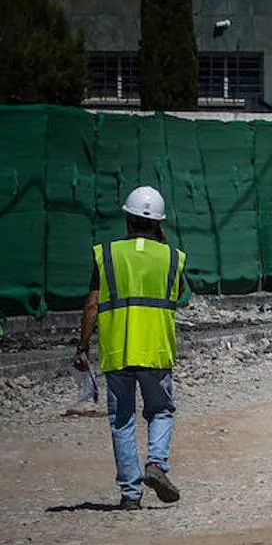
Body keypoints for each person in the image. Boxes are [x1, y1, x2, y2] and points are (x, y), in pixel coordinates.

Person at [74, 186, 190, 509]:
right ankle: (155, 464)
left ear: (127, 219)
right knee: (161, 411)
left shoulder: (107, 254)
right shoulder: (173, 257)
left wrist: (82, 346)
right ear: (158, 224)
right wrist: (162, 248)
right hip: (155, 350)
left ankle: (130, 494)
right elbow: (180, 292)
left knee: (121, 420)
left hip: (117, 352)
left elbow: (92, 305)